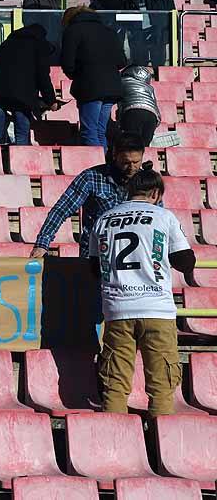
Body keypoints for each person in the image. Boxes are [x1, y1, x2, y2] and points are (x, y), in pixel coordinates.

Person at [90, 166, 195, 416]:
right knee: (161, 384)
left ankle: (114, 446)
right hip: (156, 309)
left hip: (117, 310)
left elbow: (94, 267)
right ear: (156, 193)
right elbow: (185, 262)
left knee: (114, 385)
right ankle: (162, 444)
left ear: (129, 190)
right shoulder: (163, 217)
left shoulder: (104, 218)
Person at [30, 132, 147, 259]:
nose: (131, 167)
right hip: (96, 256)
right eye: (126, 162)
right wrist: (42, 244)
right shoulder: (90, 177)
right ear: (115, 155)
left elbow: (157, 216)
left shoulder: (147, 182)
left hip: (136, 257)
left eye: (136, 162)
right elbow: (60, 211)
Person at [0, 23, 59, 145]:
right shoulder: (39, 46)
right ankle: (20, 163)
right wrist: (51, 101)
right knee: (22, 134)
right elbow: (43, 76)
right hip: (22, 97)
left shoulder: (6, 43)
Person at [61, 6, 125, 148]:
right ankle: (104, 165)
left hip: (89, 87)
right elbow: (122, 61)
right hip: (112, 87)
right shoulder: (110, 32)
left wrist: (77, 75)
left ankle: (97, 167)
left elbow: (67, 62)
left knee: (89, 131)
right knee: (100, 131)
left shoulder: (72, 31)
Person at [120, 0, 186, 66]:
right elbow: (123, 16)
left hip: (158, 33)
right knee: (140, 64)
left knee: (159, 64)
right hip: (138, 34)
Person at [118, 66, 161, 147]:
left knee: (131, 144)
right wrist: (157, 121)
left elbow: (120, 104)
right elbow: (154, 104)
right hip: (152, 115)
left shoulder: (123, 82)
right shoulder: (149, 87)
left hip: (133, 111)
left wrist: (120, 120)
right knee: (145, 146)